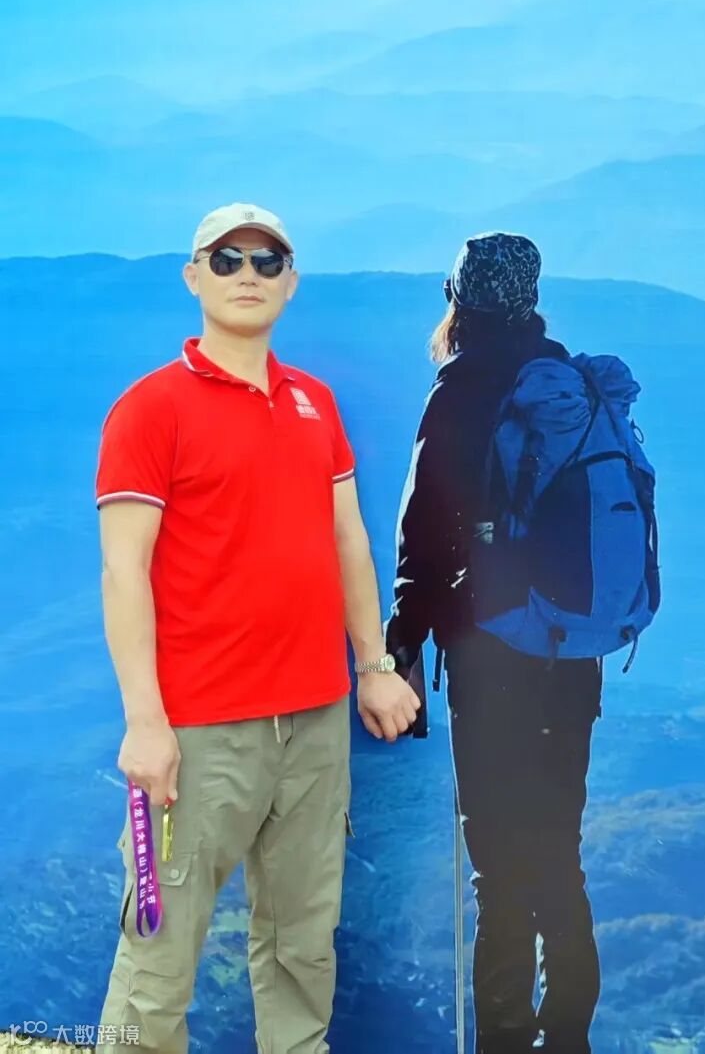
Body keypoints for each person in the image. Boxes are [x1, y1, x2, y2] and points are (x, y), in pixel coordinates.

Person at [94, 201, 419, 1054]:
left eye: (267, 261)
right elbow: (124, 571)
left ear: (291, 282)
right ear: (193, 277)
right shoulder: (149, 409)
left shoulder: (315, 402)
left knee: (303, 945)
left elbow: (347, 539)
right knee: (160, 953)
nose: (248, 274)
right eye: (227, 259)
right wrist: (144, 721)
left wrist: (374, 665)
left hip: (315, 722)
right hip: (199, 731)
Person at [385, 232, 605, 1054]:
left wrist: (402, 647)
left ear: (460, 302)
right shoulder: (571, 389)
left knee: (499, 870)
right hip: (570, 658)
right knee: (559, 855)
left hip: (487, 661)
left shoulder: (460, 393)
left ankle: (506, 1040)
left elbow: (422, 538)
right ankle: (569, 1037)